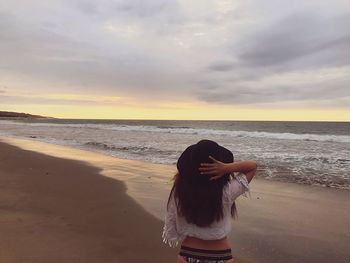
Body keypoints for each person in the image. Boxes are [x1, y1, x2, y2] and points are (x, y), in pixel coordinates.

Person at [162, 140, 257, 263]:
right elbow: (252, 166)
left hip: (188, 253)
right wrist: (226, 168)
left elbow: (171, 217)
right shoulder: (227, 191)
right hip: (221, 255)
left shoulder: (180, 191)